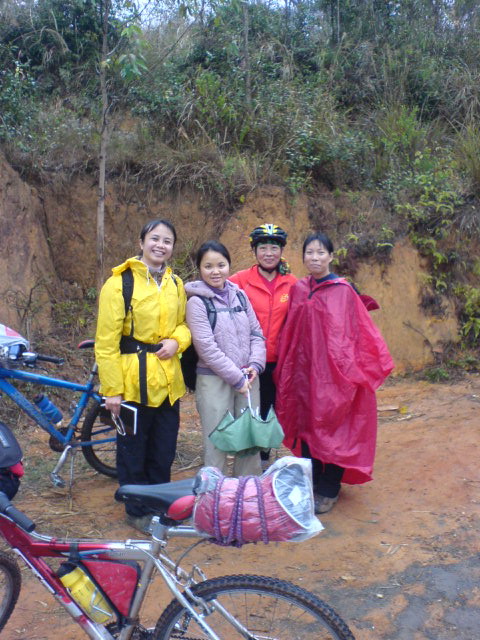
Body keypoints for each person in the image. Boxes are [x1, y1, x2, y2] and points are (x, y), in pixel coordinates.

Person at [274, 232, 394, 514]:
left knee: (337, 428)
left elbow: (361, 333)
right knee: (306, 425)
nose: (314, 258)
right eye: (309, 253)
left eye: (320, 253)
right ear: (303, 257)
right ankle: (314, 479)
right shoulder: (300, 289)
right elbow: (291, 332)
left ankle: (330, 487)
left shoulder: (343, 291)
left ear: (330, 256)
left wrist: (356, 372)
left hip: (336, 376)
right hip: (303, 374)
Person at [95, 219, 191, 533]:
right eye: (155, 239)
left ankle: (160, 505)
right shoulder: (119, 284)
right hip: (133, 383)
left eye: (167, 241)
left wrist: (177, 342)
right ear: (141, 242)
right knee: (133, 451)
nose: (160, 245)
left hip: (168, 382)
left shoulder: (175, 283)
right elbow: (106, 343)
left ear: (172, 247)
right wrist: (112, 390)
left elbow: (183, 325)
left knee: (163, 450)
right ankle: (136, 511)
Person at [185, 241, 266, 477]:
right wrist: (236, 378)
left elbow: (256, 333)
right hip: (214, 380)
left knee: (249, 439)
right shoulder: (196, 302)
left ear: (229, 266)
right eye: (208, 266)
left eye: (221, 265)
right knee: (217, 439)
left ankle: (247, 489)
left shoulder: (240, 295)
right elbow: (206, 348)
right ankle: (214, 491)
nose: (215, 271)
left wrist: (255, 365)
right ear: (199, 269)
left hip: (248, 378)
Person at [229, 224, 297, 468]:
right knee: (249, 411)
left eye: (274, 248)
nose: (269, 253)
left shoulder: (292, 283)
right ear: (254, 251)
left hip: (279, 362)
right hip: (248, 362)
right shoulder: (239, 281)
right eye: (263, 248)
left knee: (271, 410)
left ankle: (265, 459)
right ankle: (247, 461)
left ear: (281, 251)